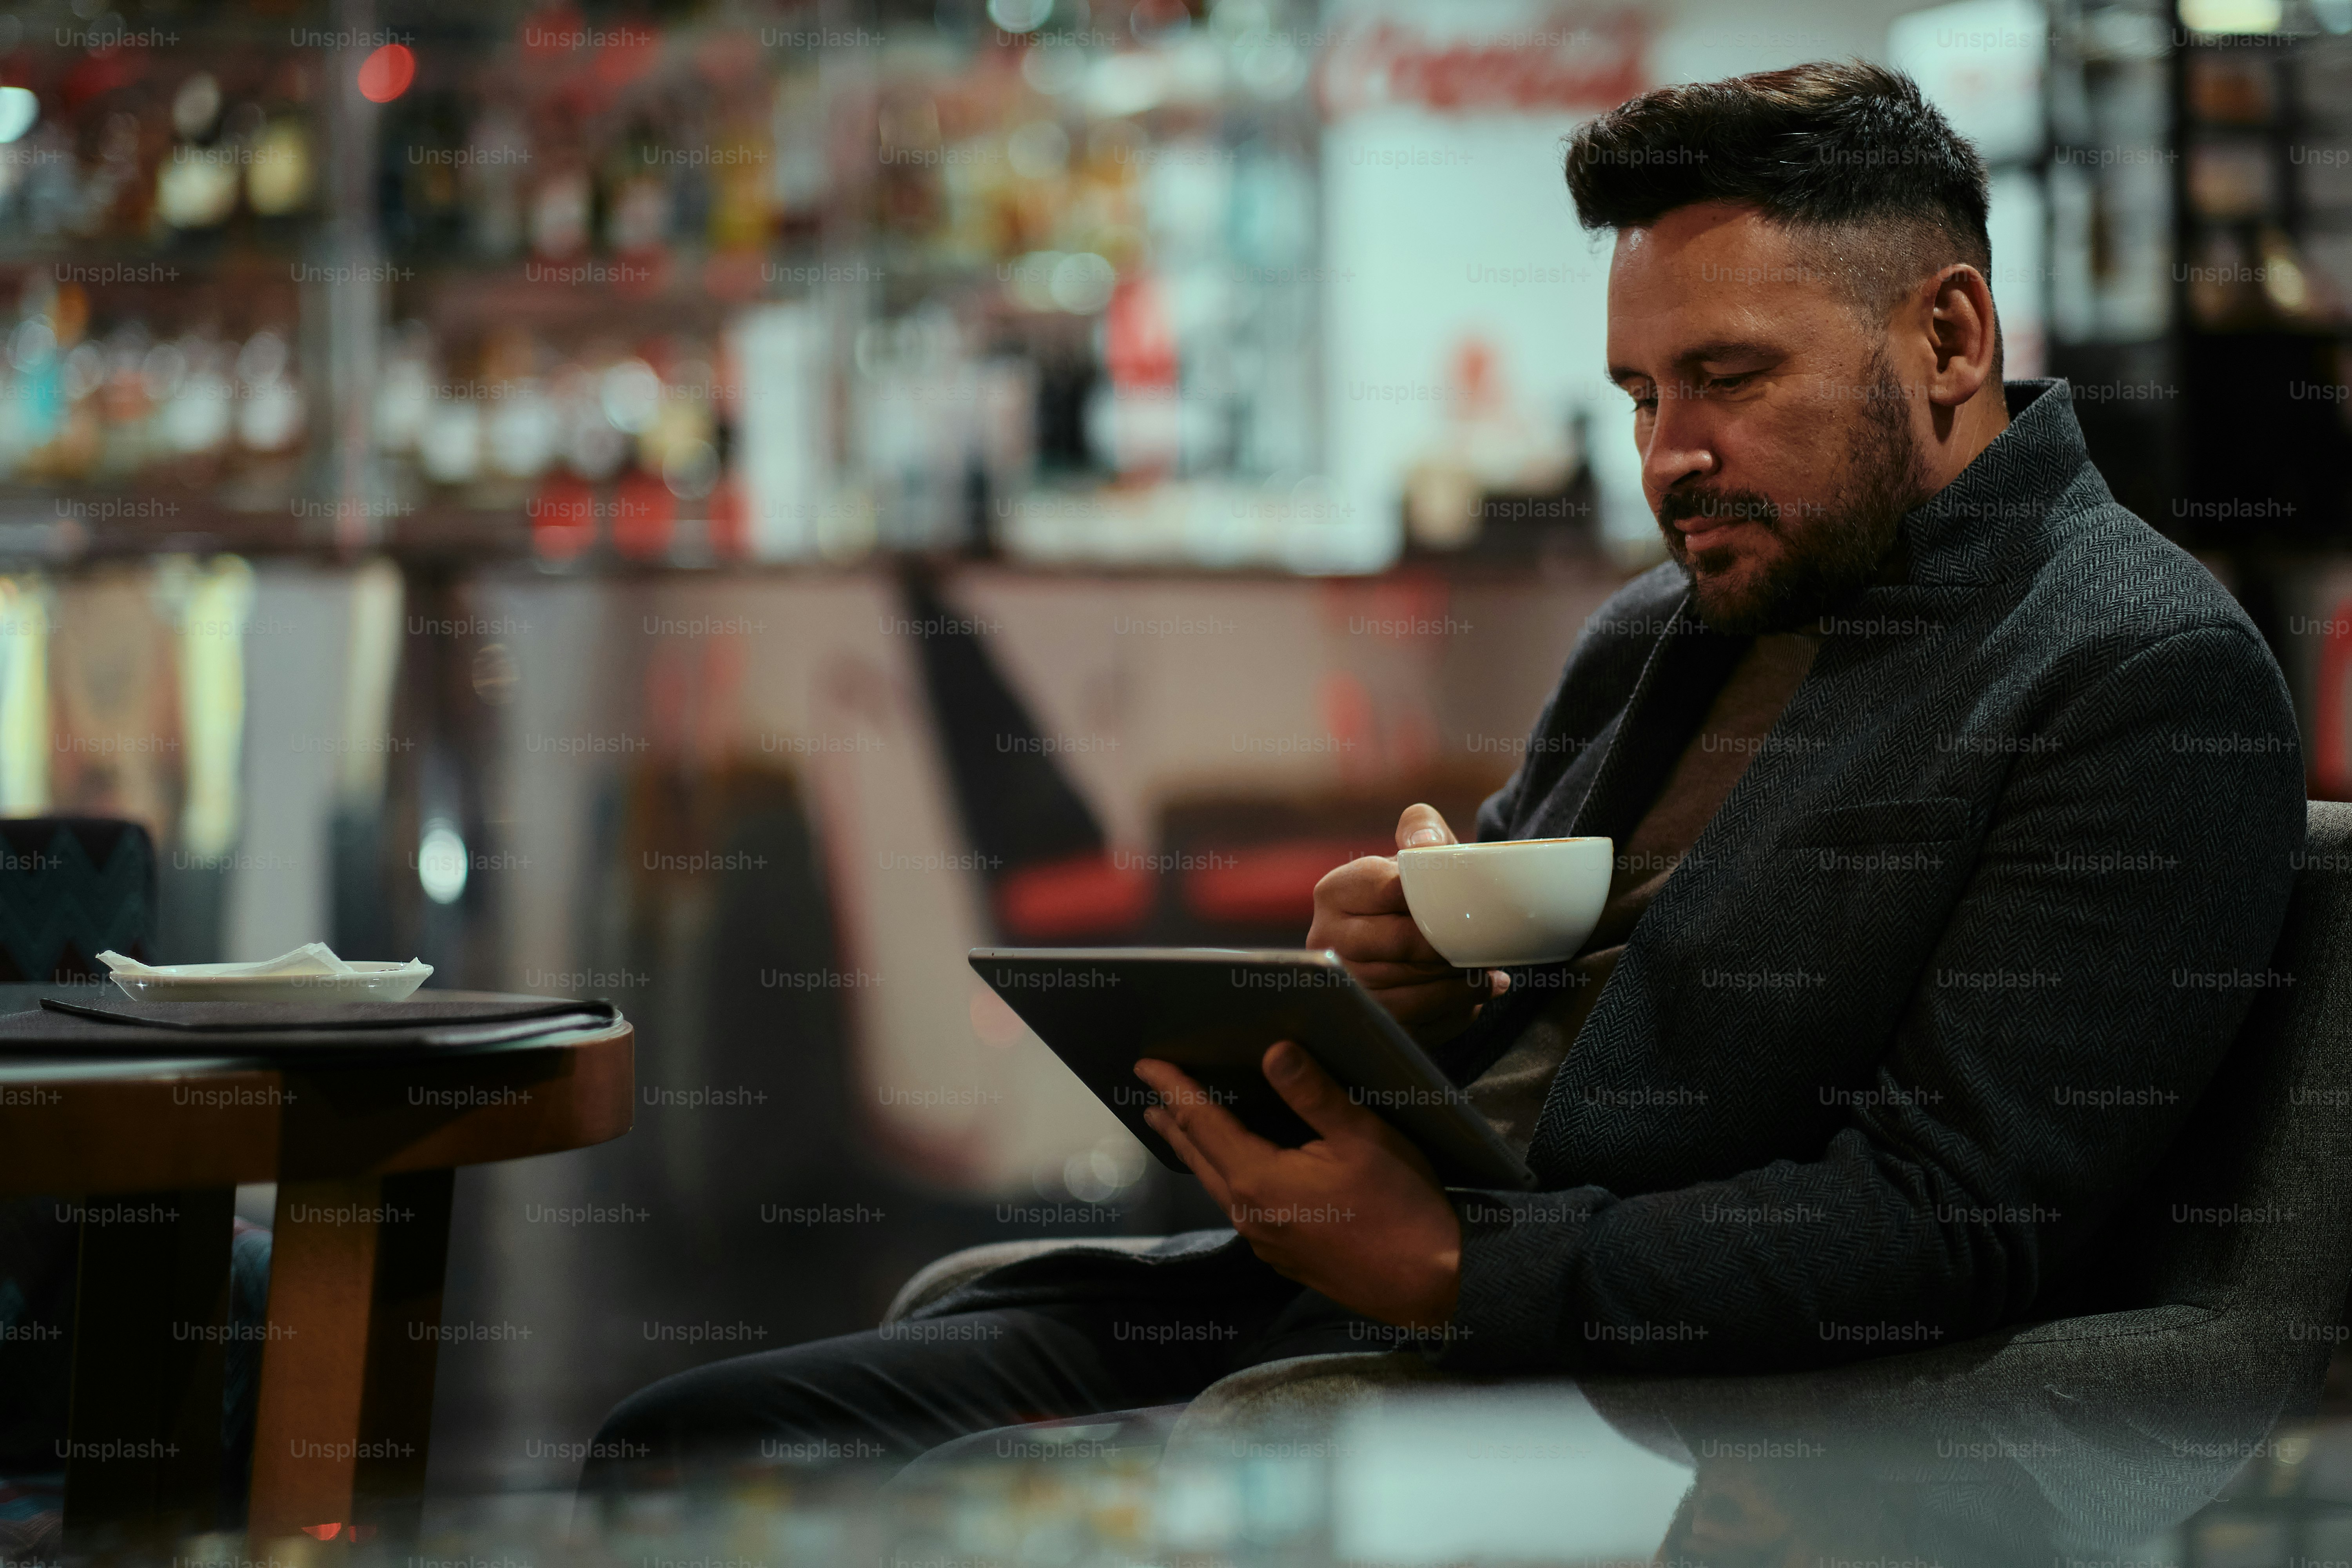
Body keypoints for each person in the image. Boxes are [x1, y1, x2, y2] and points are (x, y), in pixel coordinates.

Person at [584, 60, 2304, 1488]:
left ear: (1949, 338)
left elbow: (1954, 1224)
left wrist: (1456, 1266)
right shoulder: (1659, 632)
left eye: (1728, 380)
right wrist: (1399, 990)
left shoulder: (2135, 671)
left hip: (1604, 1398)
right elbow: (1505, 1015)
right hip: (1338, 1302)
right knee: (688, 1444)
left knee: (765, 1471)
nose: (1669, 455)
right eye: (1640, 394)